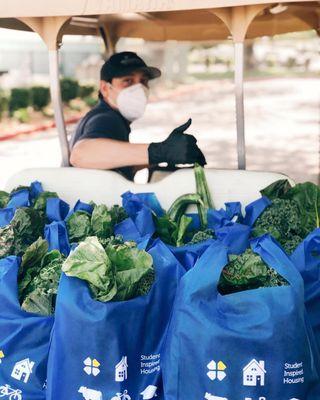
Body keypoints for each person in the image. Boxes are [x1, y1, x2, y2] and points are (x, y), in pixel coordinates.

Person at [70, 51, 206, 181]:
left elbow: (118, 163)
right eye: (128, 81)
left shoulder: (108, 116)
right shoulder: (106, 119)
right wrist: (161, 151)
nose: (139, 89)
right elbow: (80, 155)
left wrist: (161, 158)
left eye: (144, 81)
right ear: (105, 88)